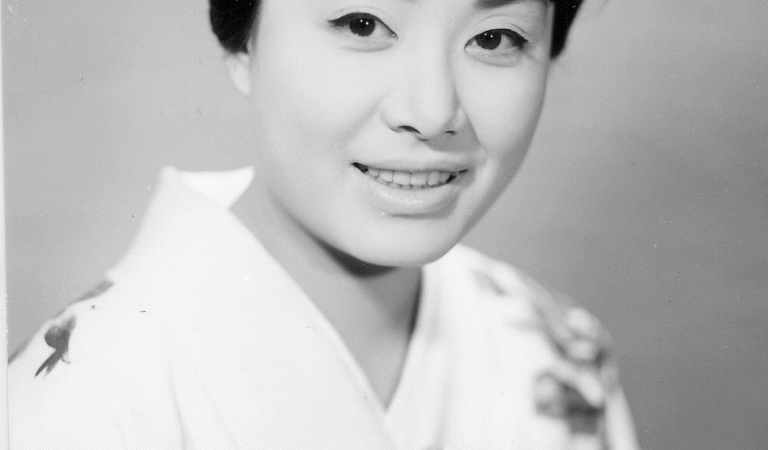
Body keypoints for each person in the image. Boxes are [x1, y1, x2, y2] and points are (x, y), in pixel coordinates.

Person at [9, 0, 639, 448]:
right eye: (363, 24)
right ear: (243, 42)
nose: (433, 110)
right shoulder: (81, 402)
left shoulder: (558, 352)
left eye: (496, 39)